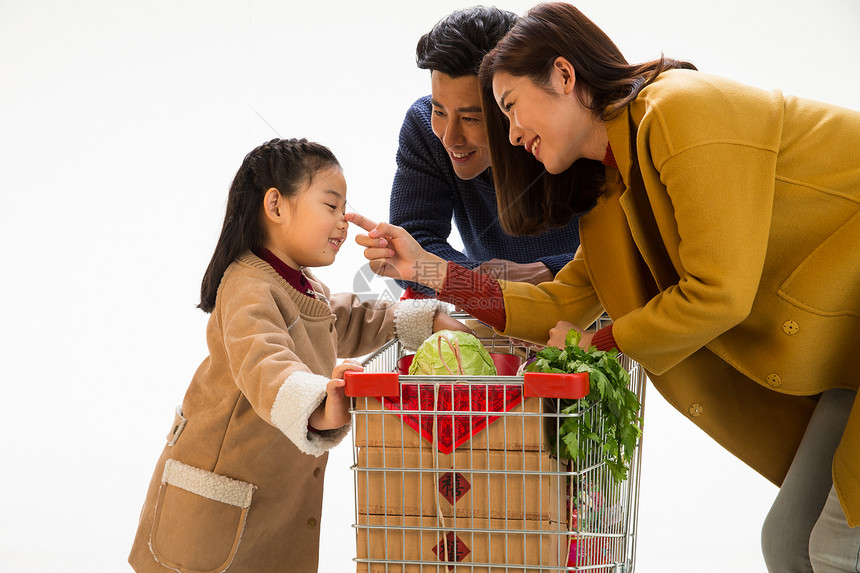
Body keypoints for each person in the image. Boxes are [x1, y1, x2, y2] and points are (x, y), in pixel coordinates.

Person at [349, 3, 860, 571]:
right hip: (845, 346)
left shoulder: (677, 109)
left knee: (836, 547)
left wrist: (592, 346)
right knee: (790, 540)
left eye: (510, 109)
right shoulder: (610, 190)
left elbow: (719, 293)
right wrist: (426, 269)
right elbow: (560, 302)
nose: (512, 135)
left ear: (565, 77)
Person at [128, 138, 462, 573]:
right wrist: (325, 402)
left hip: (264, 501)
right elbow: (266, 363)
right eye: (331, 205)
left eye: (345, 209)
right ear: (277, 205)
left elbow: (347, 319)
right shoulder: (247, 285)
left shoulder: (302, 286)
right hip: (215, 507)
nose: (344, 222)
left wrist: (420, 319)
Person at [390, 6, 582, 298]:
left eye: (471, 118)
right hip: (498, 317)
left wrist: (552, 270)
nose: (450, 138)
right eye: (439, 110)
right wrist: (480, 282)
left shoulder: (571, 135)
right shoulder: (423, 128)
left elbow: (640, 251)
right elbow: (414, 244)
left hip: (600, 312)